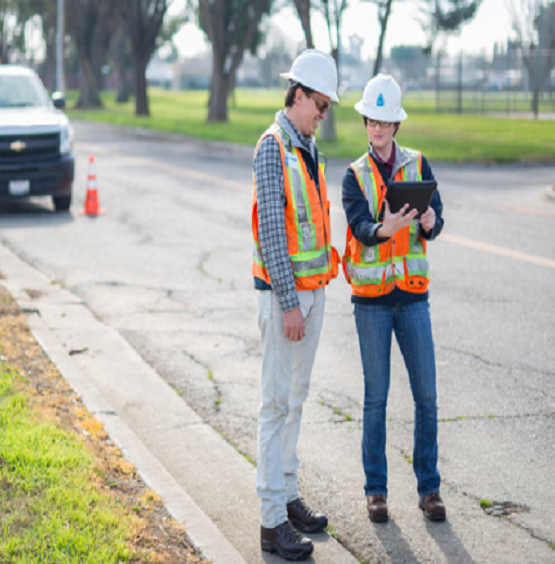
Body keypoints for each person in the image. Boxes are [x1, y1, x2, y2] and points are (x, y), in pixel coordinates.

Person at [341, 74, 446, 523]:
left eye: (385, 121)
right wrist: (385, 229)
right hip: (372, 303)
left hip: (413, 298)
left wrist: (428, 220)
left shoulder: (419, 165)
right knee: (376, 398)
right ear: (365, 123)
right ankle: (376, 491)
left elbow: (436, 223)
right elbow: (361, 229)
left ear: (396, 125)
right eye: (372, 121)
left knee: (427, 396)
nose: (378, 129)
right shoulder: (354, 176)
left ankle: (429, 489)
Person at [252, 49, 340, 561]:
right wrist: (289, 302)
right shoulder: (273, 148)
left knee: (297, 399)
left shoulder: (305, 146)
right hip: (286, 299)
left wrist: (309, 296)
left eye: (326, 108)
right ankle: (270, 523)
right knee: (275, 405)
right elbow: (270, 231)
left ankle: (287, 497)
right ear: (299, 95)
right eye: (320, 105)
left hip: (312, 294)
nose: (323, 116)